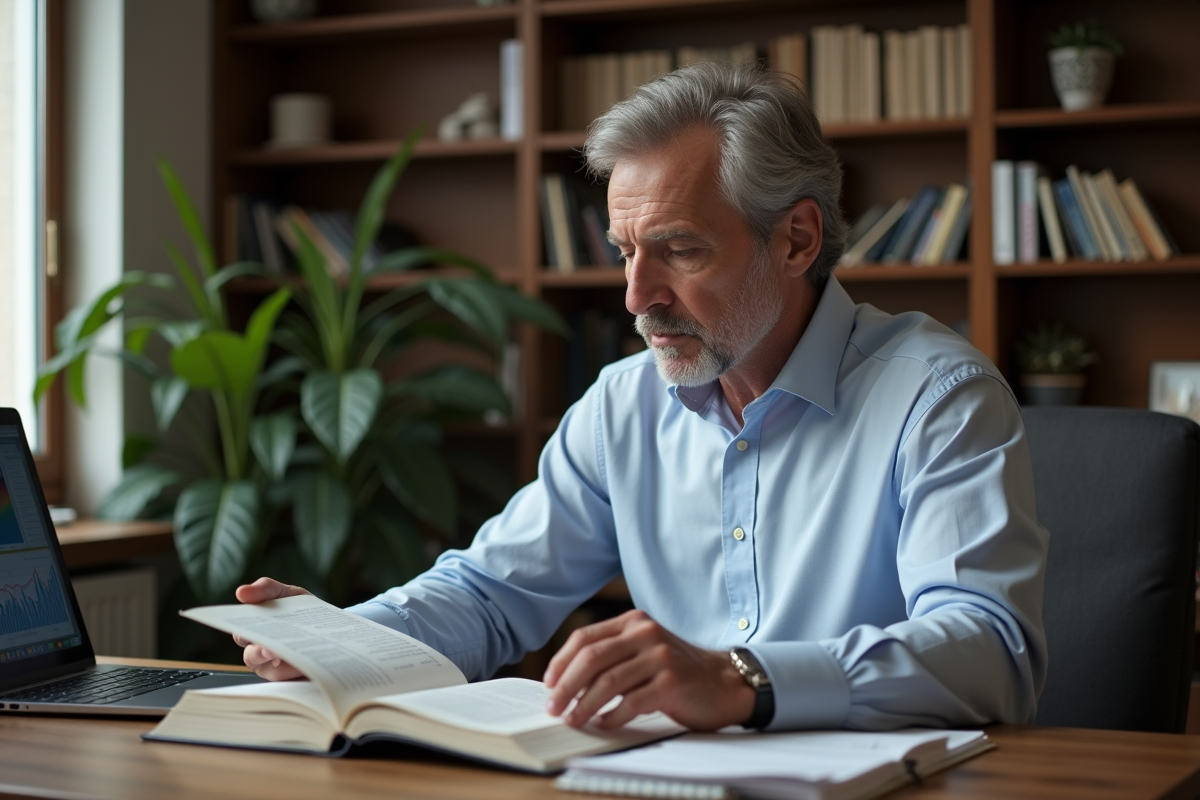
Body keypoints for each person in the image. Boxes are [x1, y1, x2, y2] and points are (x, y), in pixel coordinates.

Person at [235, 62, 1048, 733]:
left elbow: (990, 651)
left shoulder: (938, 398)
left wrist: (739, 679)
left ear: (796, 239)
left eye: (679, 250)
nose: (636, 297)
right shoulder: (622, 405)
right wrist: (344, 638)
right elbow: (490, 595)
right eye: (625, 252)